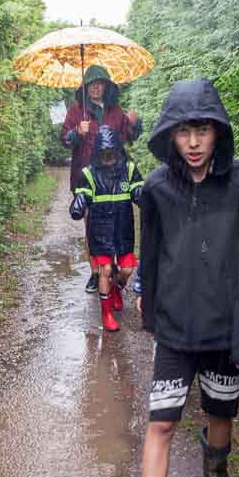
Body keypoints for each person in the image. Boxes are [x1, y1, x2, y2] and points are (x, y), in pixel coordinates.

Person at [118, 78, 239, 477]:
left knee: (220, 414)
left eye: (203, 130)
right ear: (171, 134)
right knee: (160, 422)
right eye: (184, 131)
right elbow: (153, 250)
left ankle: (217, 475)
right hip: (176, 332)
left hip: (225, 331)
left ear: (218, 131)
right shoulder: (158, 186)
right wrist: (150, 300)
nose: (193, 142)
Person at [61, 65, 142, 294]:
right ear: (85, 87)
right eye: (92, 83)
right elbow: (65, 139)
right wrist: (77, 132)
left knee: (117, 224)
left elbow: (128, 137)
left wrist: (135, 123)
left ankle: (113, 269)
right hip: (85, 177)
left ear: (106, 86)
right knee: (92, 226)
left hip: (115, 179)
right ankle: (96, 272)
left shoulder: (116, 111)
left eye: (100, 83)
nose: (96, 87)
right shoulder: (77, 111)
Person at [69, 126, 144, 332]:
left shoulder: (129, 170)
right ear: (97, 154)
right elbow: (82, 193)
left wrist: (143, 195)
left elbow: (139, 189)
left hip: (123, 230)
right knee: (106, 269)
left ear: (119, 151)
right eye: (104, 154)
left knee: (127, 269)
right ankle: (107, 313)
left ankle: (116, 289)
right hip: (100, 231)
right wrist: (80, 200)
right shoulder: (89, 174)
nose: (108, 158)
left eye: (112, 153)